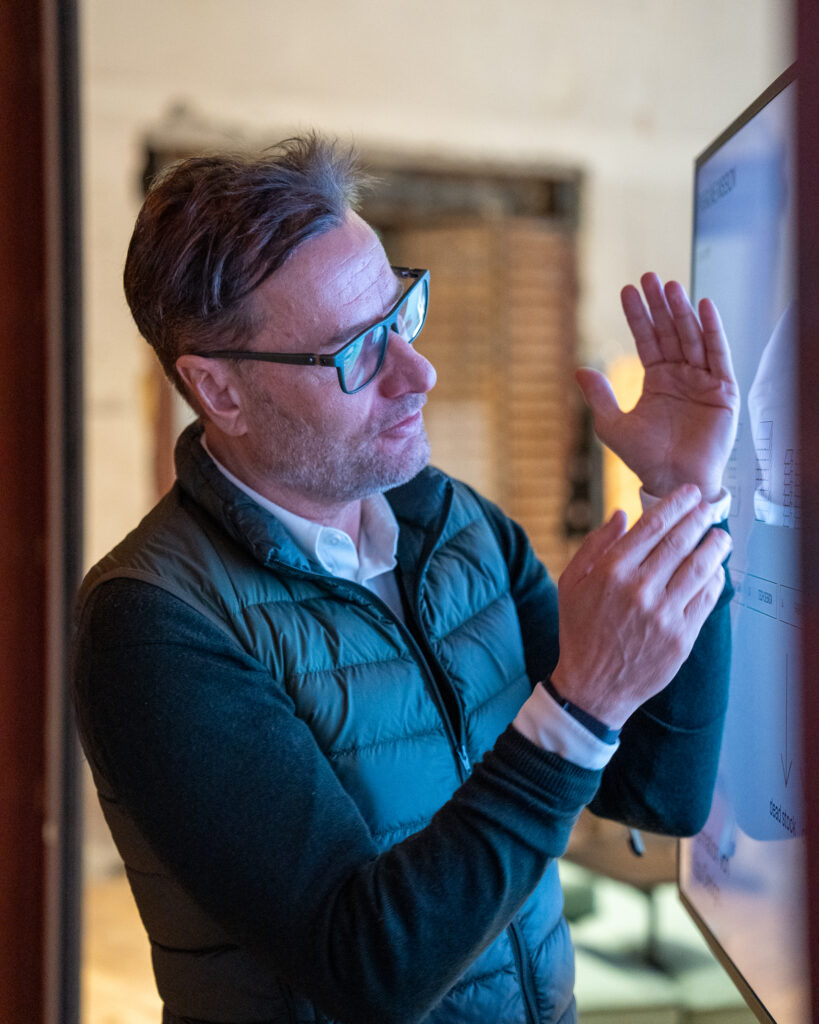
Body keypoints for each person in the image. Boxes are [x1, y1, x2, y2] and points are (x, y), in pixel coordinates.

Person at [73, 134, 739, 1024]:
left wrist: (682, 497)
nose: (417, 372)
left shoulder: (452, 522)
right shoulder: (152, 624)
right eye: (356, 350)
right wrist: (576, 702)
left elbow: (655, 792)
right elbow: (364, 969)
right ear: (219, 391)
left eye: (399, 312)